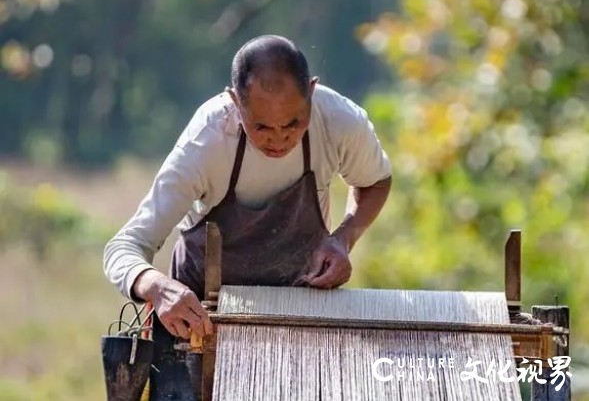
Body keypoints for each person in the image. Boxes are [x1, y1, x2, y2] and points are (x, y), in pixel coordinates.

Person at [103, 34, 392, 400]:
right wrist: (157, 288)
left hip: (299, 323)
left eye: (292, 123)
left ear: (312, 92)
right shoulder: (205, 143)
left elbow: (376, 181)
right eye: (261, 127)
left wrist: (343, 238)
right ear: (235, 102)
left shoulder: (339, 121)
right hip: (198, 334)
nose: (279, 139)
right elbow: (124, 247)